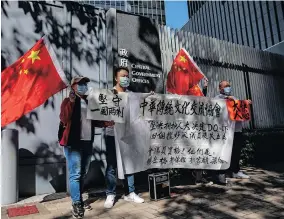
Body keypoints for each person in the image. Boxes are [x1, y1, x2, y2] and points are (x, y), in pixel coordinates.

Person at [59, 76, 109, 218]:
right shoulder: (68, 102)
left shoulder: (89, 102)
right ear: (73, 86)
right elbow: (64, 118)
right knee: (75, 174)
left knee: (83, 173)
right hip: (73, 143)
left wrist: (108, 123)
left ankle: (79, 198)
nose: (83, 86)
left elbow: (95, 121)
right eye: (80, 84)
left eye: (85, 83)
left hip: (87, 142)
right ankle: (76, 203)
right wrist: (72, 102)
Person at [104, 67, 145, 209]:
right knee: (112, 164)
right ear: (116, 78)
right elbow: (101, 115)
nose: (125, 78)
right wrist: (106, 121)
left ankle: (131, 192)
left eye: (127, 76)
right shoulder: (109, 94)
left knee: (130, 163)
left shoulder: (132, 95)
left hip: (127, 135)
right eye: (122, 76)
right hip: (112, 134)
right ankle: (110, 193)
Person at [215, 80, 252, 184]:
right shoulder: (217, 99)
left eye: (229, 86)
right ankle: (221, 173)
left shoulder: (234, 98)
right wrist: (227, 100)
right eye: (226, 86)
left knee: (236, 151)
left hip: (236, 129)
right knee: (224, 152)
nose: (228, 88)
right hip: (225, 131)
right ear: (220, 88)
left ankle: (235, 171)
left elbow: (241, 111)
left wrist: (245, 104)